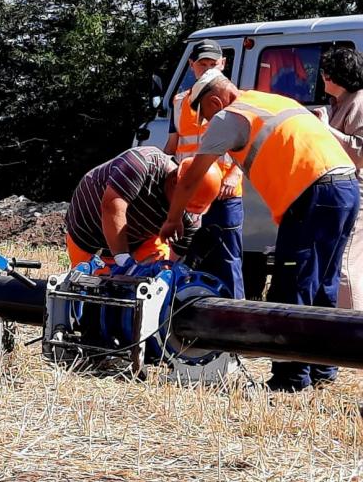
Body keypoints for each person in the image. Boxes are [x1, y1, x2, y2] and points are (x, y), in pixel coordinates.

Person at [161, 68, 359, 392]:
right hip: (346, 188)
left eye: (205, 113)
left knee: (292, 286)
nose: (206, 123)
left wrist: (172, 220)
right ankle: (323, 370)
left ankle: (291, 379)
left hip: (313, 193)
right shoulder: (268, 101)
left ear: (215, 100)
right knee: (324, 282)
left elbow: (191, 178)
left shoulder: (228, 118)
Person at [164, 39, 245, 299]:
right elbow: (173, 145)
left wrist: (234, 174)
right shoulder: (178, 102)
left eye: (214, 64)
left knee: (227, 259)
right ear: (192, 66)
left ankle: (236, 320)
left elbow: (248, 146)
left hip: (224, 194)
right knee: (184, 257)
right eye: (203, 64)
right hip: (189, 195)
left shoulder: (234, 98)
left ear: (223, 64)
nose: (209, 68)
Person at [65, 146, 222, 274]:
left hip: (139, 237)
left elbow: (175, 261)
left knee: (152, 278)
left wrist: (166, 279)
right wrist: (123, 260)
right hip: (88, 223)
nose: (184, 211)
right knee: (85, 287)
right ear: (175, 181)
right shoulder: (142, 163)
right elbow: (112, 206)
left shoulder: (191, 216)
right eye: (184, 203)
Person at [317, 47, 363, 311]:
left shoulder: (358, 102)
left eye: (325, 73)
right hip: (346, 194)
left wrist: (326, 129)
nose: (322, 78)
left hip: (357, 192)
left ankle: (353, 338)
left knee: (346, 266)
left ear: (336, 76)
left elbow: (360, 153)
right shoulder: (343, 102)